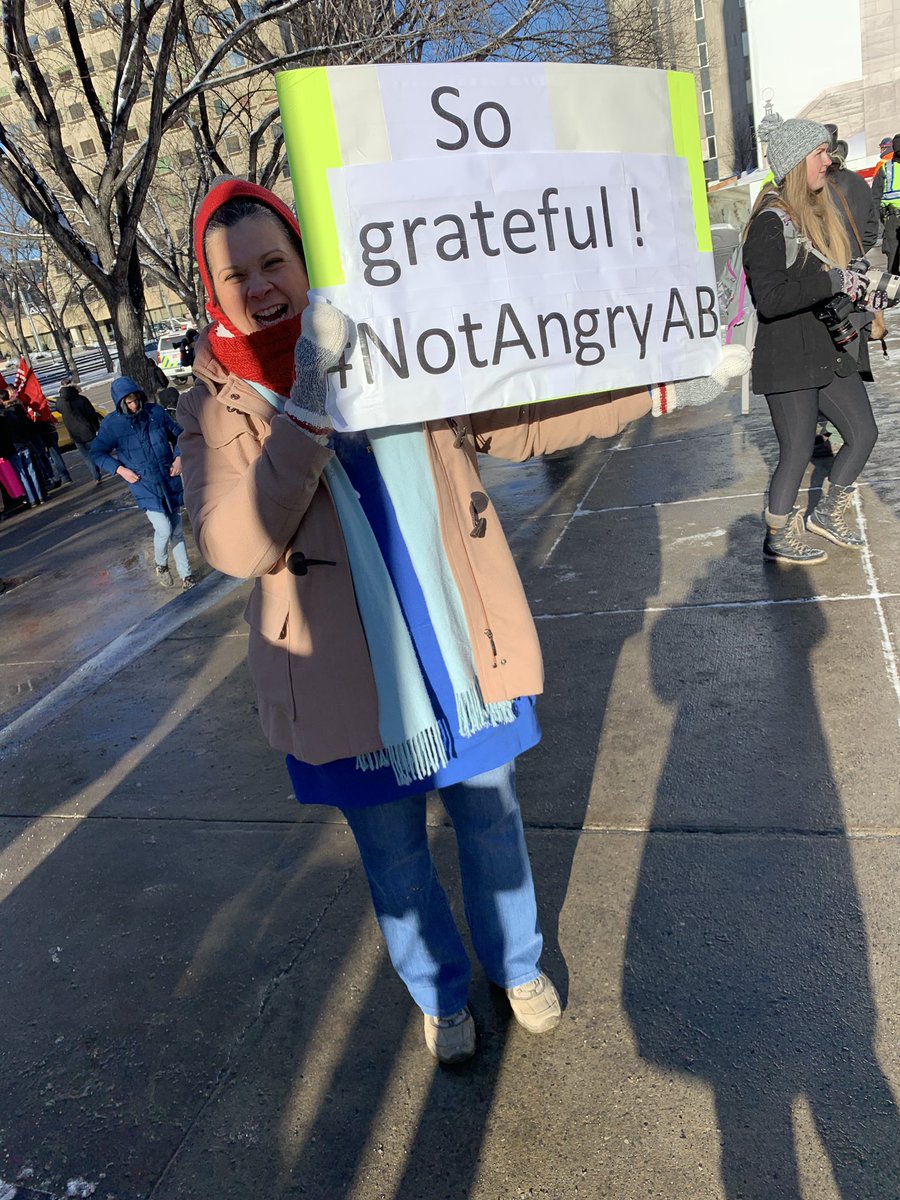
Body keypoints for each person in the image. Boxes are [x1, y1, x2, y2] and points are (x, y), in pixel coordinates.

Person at [176, 177, 748, 1065]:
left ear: (302, 260)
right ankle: (440, 997)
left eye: (272, 262)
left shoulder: (397, 334)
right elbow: (235, 542)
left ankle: (516, 967)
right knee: (395, 858)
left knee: (492, 821)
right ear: (211, 292)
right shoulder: (214, 405)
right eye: (233, 275)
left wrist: (661, 386)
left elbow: (521, 410)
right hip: (344, 684)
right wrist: (310, 405)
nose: (257, 287)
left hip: (455, 646)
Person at [745, 114, 881, 564]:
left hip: (826, 349)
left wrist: (859, 286)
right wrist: (832, 281)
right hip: (787, 357)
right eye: (819, 154)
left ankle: (827, 512)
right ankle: (777, 534)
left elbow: (828, 276)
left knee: (863, 433)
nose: (828, 161)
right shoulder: (769, 222)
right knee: (798, 450)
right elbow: (770, 299)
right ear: (796, 161)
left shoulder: (816, 214)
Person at [91, 376, 195, 589]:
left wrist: (179, 457)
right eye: (129, 402)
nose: (134, 405)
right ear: (121, 403)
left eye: (136, 399)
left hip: (168, 479)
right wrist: (120, 470)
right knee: (164, 528)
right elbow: (97, 453)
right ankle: (161, 564)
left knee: (176, 529)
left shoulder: (155, 414)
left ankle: (187, 576)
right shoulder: (113, 425)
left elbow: (180, 436)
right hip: (143, 484)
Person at [56, 383, 105, 484]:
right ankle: (105, 468)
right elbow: (91, 415)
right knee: (96, 452)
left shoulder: (60, 402)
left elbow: (58, 409)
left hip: (74, 434)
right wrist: (96, 428)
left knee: (86, 457)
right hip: (87, 431)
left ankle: (96, 476)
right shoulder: (82, 399)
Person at [872, 133, 900, 273]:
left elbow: (875, 196)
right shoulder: (886, 168)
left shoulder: (883, 167)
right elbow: (875, 197)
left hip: (892, 219)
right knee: (894, 255)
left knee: (894, 255)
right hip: (892, 218)